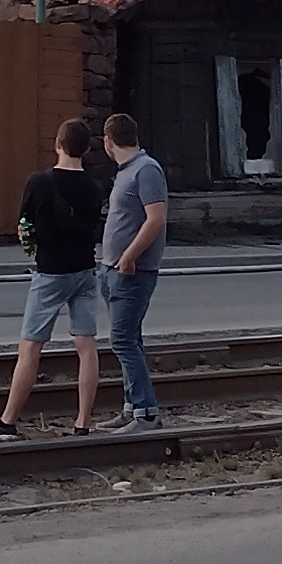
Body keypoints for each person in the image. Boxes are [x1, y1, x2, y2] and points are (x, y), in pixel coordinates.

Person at [0, 118, 109, 439]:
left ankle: (8, 421)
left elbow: (24, 226)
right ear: (87, 150)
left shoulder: (39, 182)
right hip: (85, 271)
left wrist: (28, 238)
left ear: (57, 144)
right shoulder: (94, 187)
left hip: (50, 273)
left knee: (31, 348)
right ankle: (83, 423)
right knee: (86, 345)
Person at [96, 109, 169, 429]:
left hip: (132, 271)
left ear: (108, 142)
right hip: (113, 269)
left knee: (123, 341)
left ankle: (146, 412)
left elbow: (156, 219)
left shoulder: (146, 170)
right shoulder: (127, 171)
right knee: (129, 339)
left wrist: (128, 257)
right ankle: (132, 407)